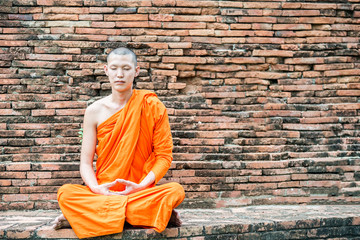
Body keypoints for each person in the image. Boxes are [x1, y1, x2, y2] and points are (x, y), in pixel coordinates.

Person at [52, 47, 185, 239]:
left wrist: (139, 187)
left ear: (136, 71)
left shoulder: (153, 106)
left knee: (175, 191)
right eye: (114, 68)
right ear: (106, 70)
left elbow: (164, 157)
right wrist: (97, 189)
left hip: (139, 189)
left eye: (126, 68)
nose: (120, 74)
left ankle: (86, 216)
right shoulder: (94, 111)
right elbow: (85, 163)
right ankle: (146, 214)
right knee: (66, 193)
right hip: (103, 191)